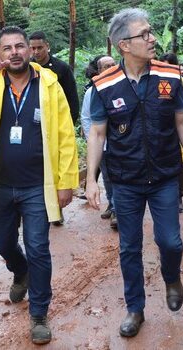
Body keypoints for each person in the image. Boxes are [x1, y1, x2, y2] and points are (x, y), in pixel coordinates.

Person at [0, 26, 78, 345]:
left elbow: (65, 136)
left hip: (37, 184)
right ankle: (19, 270)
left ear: (29, 50)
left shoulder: (49, 84)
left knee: (39, 247)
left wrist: (66, 183)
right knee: (4, 244)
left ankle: (38, 314)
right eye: (7, 48)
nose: (14, 53)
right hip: (0, 184)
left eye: (19, 46)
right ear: (1, 54)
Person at [85, 8, 183, 338]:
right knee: (129, 247)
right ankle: (135, 308)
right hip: (125, 180)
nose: (153, 39)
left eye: (152, 33)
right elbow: (97, 134)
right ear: (124, 45)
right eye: (145, 34)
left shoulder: (170, 76)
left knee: (171, 241)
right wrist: (91, 179)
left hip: (165, 175)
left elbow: (182, 120)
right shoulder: (104, 85)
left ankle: (172, 277)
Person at [29, 32, 79, 226]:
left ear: (47, 46)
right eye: (32, 48)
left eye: (39, 47)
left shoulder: (61, 69)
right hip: (33, 127)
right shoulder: (26, 69)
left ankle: (56, 209)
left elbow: (71, 98)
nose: (36, 52)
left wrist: (70, 124)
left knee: (55, 168)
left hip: (56, 124)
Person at [80, 54, 118, 228]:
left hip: (122, 143)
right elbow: (86, 118)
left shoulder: (123, 86)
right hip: (103, 145)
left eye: (113, 64)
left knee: (120, 177)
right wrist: (93, 140)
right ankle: (114, 205)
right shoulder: (92, 91)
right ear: (99, 70)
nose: (110, 68)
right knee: (109, 178)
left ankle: (117, 209)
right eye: (106, 66)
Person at [160, 52, 183, 213]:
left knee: (180, 165)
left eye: (170, 65)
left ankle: (178, 197)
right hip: (162, 130)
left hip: (178, 129)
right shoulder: (155, 81)